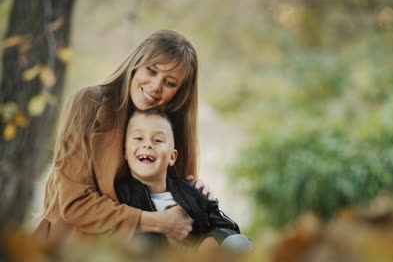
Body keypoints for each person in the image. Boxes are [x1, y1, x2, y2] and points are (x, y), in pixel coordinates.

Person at [34, 30, 214, 245]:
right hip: (70, 245)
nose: (156, 86)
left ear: (180, 91)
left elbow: (180, 223)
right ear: (136, 63)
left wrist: (193, 196)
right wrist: (156, 221)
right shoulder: (88, 104)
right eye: (151, 70)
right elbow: (75, 203)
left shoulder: (171, 128)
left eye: (170, 83)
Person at [115, 109, 251, 253]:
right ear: (125, 152)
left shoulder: (191, 191)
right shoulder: (117, 194)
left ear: (172, 157)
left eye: (158, 140)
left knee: (240, 241)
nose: (147, 145)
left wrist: (211, 242)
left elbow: (229, 228)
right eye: (138, 138)